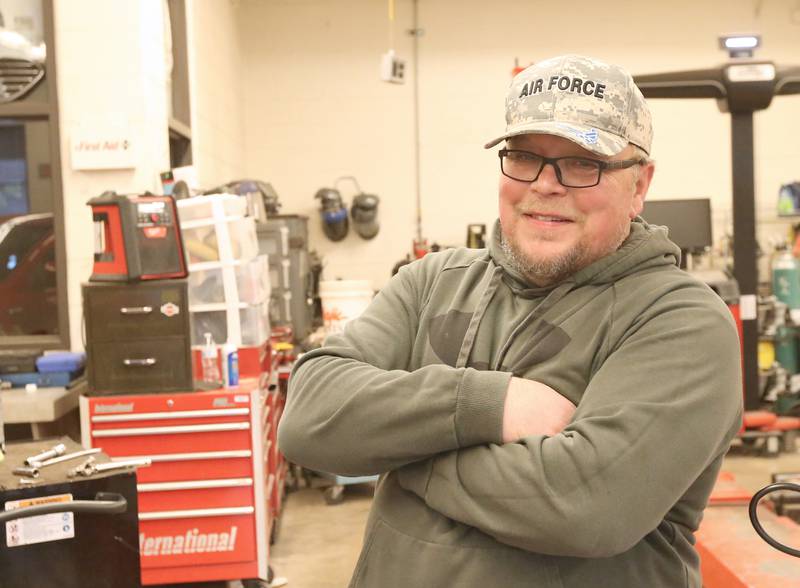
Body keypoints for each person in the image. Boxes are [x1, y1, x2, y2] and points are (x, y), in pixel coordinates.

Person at [278, 54, 742, 588]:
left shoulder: (679, 320)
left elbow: (584, 504)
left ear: (639, 185)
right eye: (524, 157)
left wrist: (398, 451)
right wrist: (486, 405)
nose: (546, 184)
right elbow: (309, 416)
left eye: (581, 162)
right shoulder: (432, 282)